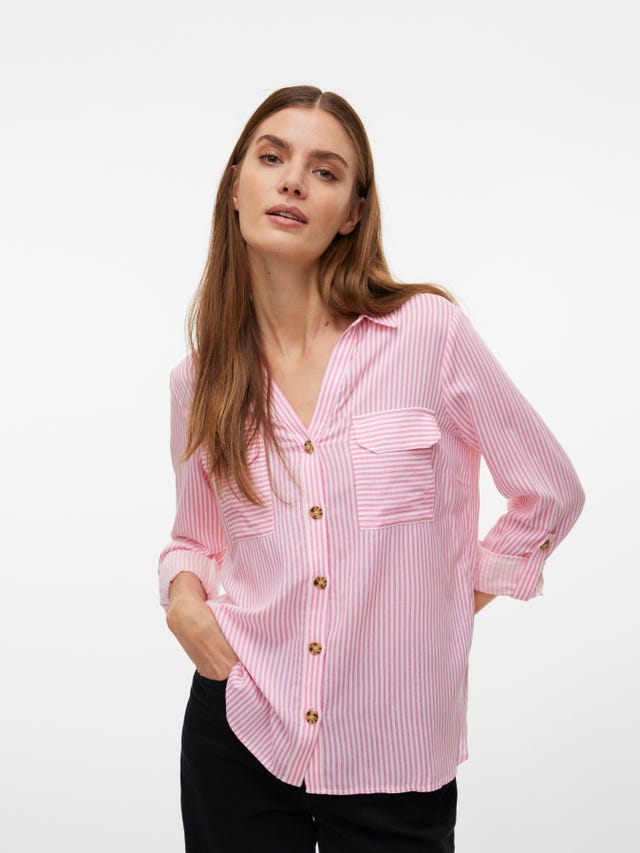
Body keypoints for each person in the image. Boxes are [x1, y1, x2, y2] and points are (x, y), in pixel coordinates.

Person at [157, 85, 585, 853]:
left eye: (324, 171)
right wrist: (183, 599)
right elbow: (195, 537)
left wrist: (448, 598)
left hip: (396, 751)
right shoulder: (201, 379)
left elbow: (550, 491)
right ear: (236, 186)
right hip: (240, 728)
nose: (293, 181)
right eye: (272, 158)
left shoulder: (427, 335)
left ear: (352, 212)